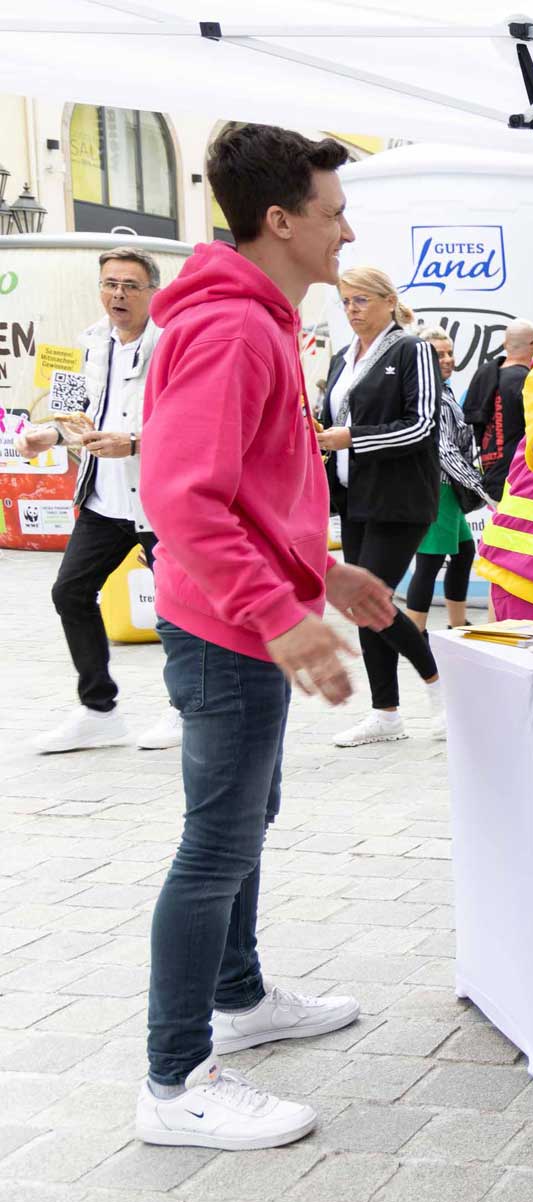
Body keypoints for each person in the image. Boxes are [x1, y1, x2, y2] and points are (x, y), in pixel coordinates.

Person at [137, 123, 394, 1150]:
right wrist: (283, 614)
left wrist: (320, 572)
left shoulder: (255, 320)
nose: (347, 230)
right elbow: (182, 499)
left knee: (245, 817)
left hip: (236, 621)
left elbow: (247, 490)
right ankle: (172, 1081)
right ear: (280, 221)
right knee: (214, 845)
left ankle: (239, 999)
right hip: (225, 631)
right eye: (333, 213)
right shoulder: (238, 328)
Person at [19, 248, 181, 754]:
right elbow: (76, 416)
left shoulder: (172, 344)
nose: (118, 294)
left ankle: (186, 710)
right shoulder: (90, 342)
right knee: (70, 593)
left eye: (130, 285)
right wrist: (48, 434)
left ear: (152, 292)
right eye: (110, 283)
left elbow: (191, 424)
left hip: (159, 501)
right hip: (103, 499)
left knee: (177, 611)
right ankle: (99, 710)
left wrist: (133, 443)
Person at [314, 265, 445, 746]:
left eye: (361, 300)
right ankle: (386, 714)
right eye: (346, 301)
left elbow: (422, 425)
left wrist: (351, 438)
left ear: (389, 301)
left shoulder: (413, 350)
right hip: (355, 499)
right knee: (361, 604)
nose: (352, 310)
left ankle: (439, 686)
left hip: (400, 497)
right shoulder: (340, 359)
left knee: (369, 600)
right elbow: (332, 419)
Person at [404, 327, 492, 632]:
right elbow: (444, 449)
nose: (447, 360)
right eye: (438, 354)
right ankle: (416, 630)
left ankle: (457, 622)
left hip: (448, 491)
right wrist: (479, 485)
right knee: (429, 562)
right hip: (438, 489)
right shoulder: (431, 397)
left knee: (465, 552)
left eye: (449, 353)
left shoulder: (445, 390)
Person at [466, 319, 533, 501]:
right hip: (520, 480)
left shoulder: (484, 376)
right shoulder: (528, 382)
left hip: (490, 475)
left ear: (505, 344)